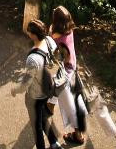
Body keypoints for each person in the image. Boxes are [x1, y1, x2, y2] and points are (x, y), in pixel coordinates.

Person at [52, 5, 116, 148]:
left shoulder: (54, 35)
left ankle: (77, 135)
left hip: (66, 77)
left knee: (71, 107)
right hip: (79, 72)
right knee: (98, 108)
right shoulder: (69, 29)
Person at [23, 17, 67, 149]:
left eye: (29, 32)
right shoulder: (49, 41)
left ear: (33, 35)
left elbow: (27, 81)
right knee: (42, 117)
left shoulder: (33, 58)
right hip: (48, 90)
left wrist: (16, 90)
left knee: (37, 127)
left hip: (35, 95)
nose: (28, 34)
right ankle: (54, 143)